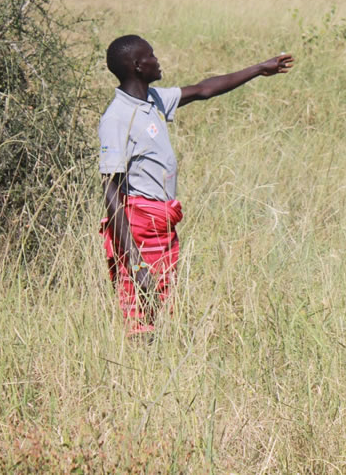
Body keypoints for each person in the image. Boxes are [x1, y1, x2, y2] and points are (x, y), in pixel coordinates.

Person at [98, 34, 294, 335]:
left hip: (163, 221)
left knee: (161, 307)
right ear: (138, 66)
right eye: (151, 55)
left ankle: (155, 371)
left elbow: (204, 89)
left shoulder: (153, 100)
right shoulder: (117, 118)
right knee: (139, 314)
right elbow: (111, 190)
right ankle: (138, 373)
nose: (157, 59)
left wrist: (259, 69)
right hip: (139, 227)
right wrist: (135, 263)